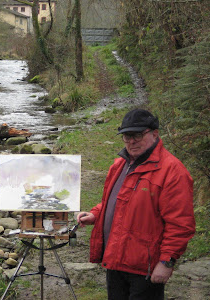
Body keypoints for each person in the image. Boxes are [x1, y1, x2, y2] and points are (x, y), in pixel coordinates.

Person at [76, 109, 195, 300]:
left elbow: (180, 224)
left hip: (144, 268)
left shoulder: (173, 172)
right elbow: (114, 202)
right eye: (127, 136)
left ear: (154, 134)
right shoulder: (120, 165)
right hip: (115, 260)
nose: (131, 141)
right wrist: (96, 214)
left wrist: (166, 262)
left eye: (137, 135)